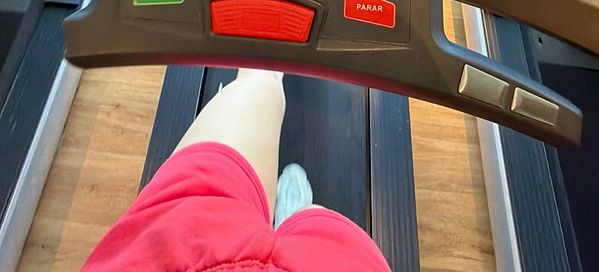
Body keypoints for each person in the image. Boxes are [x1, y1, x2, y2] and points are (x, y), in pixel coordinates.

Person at [82, 68, 392, 272]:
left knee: (257, 82)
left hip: (183, 250)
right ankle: (294, 217)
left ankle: (262, 68)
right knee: (314, 216)